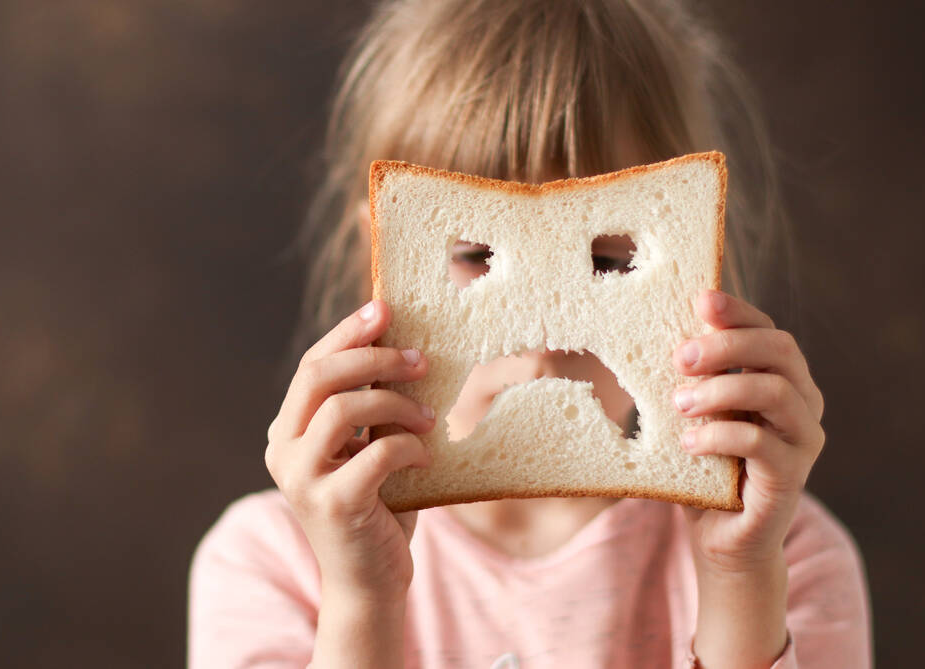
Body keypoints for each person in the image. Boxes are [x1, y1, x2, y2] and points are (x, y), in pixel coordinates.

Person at [188, 0, 873, 667]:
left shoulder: (787, 555)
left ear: (698, 259)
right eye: (476, 256)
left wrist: (738, 582)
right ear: (384, 258)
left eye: (609, 259)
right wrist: (361, 596)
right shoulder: (269, 562)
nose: (546, 337)